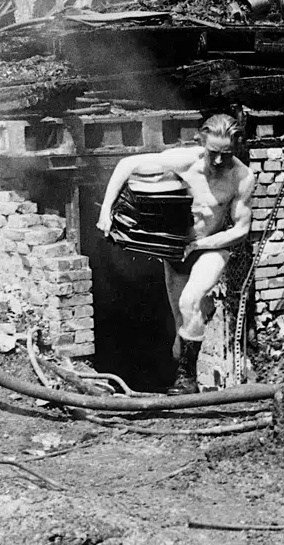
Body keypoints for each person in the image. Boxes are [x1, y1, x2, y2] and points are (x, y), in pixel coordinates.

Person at [97, 113, 255, 395]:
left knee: (191, 299)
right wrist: (106, 211)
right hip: (176, 249)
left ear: (237, 148)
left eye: (226, 155)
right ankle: (182, 372)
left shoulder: (242, 177)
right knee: (182, 321)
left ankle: (187, 381)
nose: (219, 161)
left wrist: (200, 245)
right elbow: (127, 164)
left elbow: (241, 230)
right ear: (202, 143)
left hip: (212, 246)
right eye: (213, 153)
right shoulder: (187, 161)